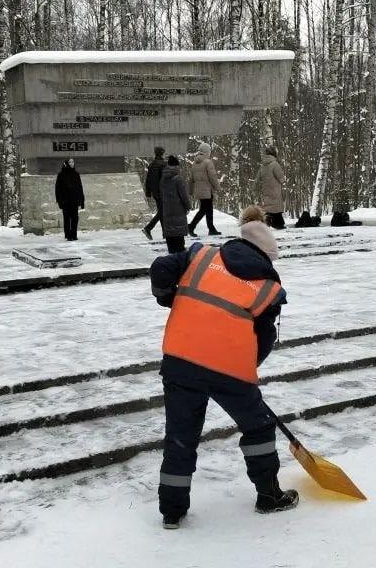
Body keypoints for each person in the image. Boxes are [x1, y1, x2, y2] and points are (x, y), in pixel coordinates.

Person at [149, 206, 295, 530]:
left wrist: (169, 298)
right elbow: (265, 339)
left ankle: (172, 511)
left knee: (180, 436)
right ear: (267, 257)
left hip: (180, 359)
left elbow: (160, 267)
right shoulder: (268, 287)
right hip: (230, 370)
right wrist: (246, 368)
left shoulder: (201, 256)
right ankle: (269, 495)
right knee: (258, 427)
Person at [187, 142, 221, 236]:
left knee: (206, 209)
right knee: (205, 210)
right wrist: (217, 187)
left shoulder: (194, 163)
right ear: (207, 151)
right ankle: (192, 226)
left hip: (199, 191)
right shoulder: (208, 162)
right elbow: (213, 177)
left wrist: (190, 191)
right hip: (207, 191)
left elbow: (191, 179)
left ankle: (210, 228)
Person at [159, 155, 191, 254]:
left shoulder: (163, 179)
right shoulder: (178, 179)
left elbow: (161, 194)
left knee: (170, 236)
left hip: (167, 210)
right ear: (176, 166)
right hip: (178, 210)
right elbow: (184, 195)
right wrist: (188, 206)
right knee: (179, 238)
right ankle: (180, 256)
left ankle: (172, 255)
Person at [54, 158, 84, 241]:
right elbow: (57, 189)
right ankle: (68, 235)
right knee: (67, 218)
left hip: (74, 200)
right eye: (70, 162)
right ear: (66, 163)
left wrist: (81, 200)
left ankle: (74, 234)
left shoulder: (76, 174)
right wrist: (59, 201)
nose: (72, 163)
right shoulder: (61, 175)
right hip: (65, 201)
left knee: (75, 218)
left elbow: (80, 188)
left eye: (73, 162)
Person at [258, 146, 286, 230]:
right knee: (276, 207)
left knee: (268, 207)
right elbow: (281, 179)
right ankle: (278, 224)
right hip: (275, 190)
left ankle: (267, 222)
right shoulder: (275, 164)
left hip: (265, 190)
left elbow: (258, 178)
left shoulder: (262, 166)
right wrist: (283, 180)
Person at [142, 146, 167, 240]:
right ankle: (148, 228)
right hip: (162, 192)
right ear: (162, 153)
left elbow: (148, 179)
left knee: (161, 212)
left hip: (155, 192)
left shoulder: (152, 164)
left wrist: (148, 192)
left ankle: (165, 233)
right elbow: (165, 180)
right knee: (162, 212)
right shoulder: (163, 164)